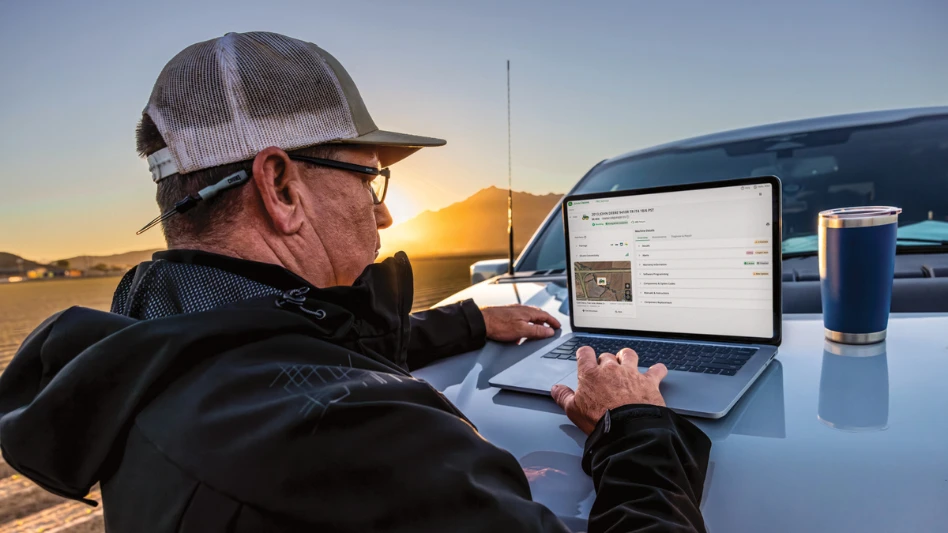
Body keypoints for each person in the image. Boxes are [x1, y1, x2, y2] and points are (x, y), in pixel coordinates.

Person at [0, 32, 710, 532]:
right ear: (279, 186)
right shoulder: (350, 438)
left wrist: (467, 322)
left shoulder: (158, 341)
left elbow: (296, 340)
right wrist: (635, 427)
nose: (386, 208)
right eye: (370, 176)